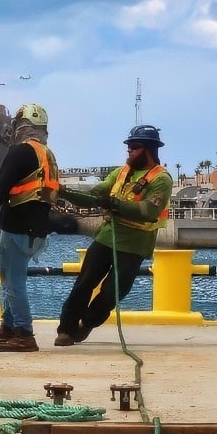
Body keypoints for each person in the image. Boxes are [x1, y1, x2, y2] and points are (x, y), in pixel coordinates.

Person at [53, 124, 173, 347]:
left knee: (112, 292)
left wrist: (113, 203)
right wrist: (62, 191)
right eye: (128, 146)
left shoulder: (161, 179)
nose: (129, 150)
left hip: (135, 244)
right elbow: (94, 196)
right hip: (107, 236)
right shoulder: (120, 173)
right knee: (84, 283)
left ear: (149, 149)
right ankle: (66, 330)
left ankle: (87, 323)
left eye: (135, 146)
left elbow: (148, 211)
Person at [0, 103, 61, 352]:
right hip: (36, 232)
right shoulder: (47, 155)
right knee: (11, 281)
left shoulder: (20, 152)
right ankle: (8, 328)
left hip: (17, 229)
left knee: (13, 283)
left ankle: (24, 334)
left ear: (21, 126)